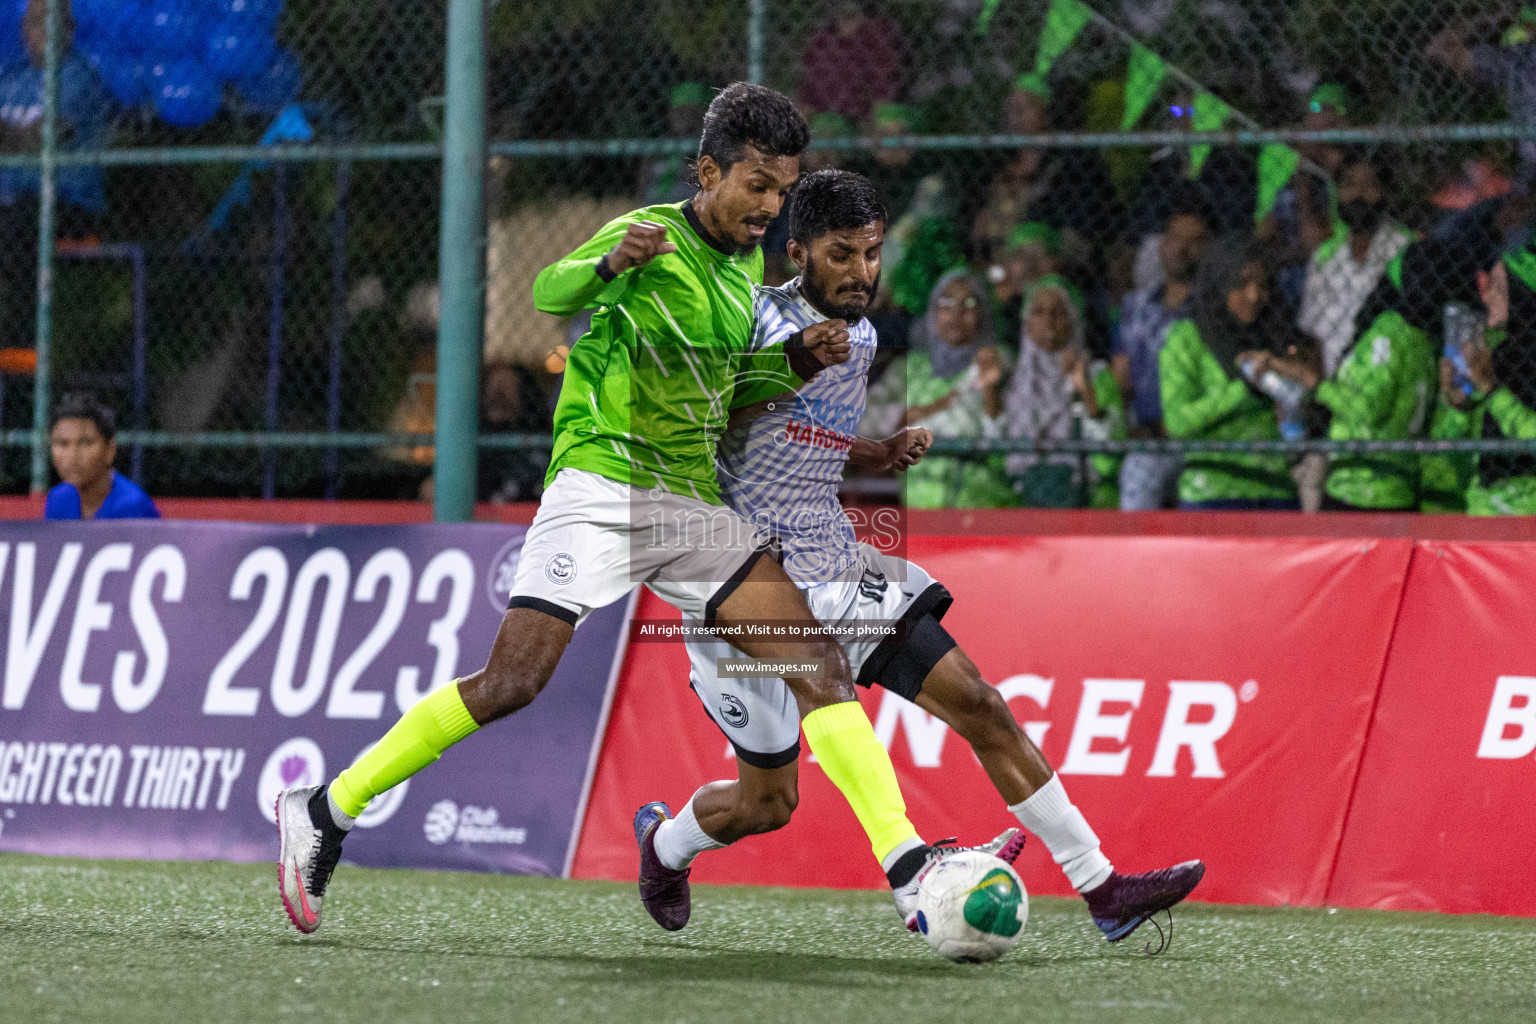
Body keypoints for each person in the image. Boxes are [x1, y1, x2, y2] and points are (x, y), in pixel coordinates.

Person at [275, 84, 959, 939]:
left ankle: (908, 870)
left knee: (812, 654)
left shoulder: (746, 267)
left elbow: (724, 387)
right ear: (706, 171)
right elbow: (548, 291)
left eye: (782, 190)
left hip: (689, 506)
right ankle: (328, 810)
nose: (771, 206)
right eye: (755, 184)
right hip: (600, 486)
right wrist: (607, 264)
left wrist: (792, 359)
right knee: (512, 684)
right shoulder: (655, 233)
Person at [669, 168, 1203, 944]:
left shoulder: (864, 336)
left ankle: (1104, 889)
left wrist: (874, 448)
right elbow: (704, 419)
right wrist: (793, 364)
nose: (862, 273)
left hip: (836, 566)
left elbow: (799, 431)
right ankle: (667, 843)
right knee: (765, 805)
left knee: (981, 702)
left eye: (873, 254)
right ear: (798, 252)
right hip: (745, 585)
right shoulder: (751, 320)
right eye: (842, 255)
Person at [1268, 239, 1488, 512]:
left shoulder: (1390, 332)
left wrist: (1317, 385)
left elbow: (1370, 410)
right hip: (1399, 490)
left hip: (1357, 490)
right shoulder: (1430, 345)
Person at [1160, 237, 1300, 510]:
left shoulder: (1273, 333)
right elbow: (1176, 422)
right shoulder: (1187, 337)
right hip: (1212, 493)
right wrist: (1243, 390)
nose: (1255, 295)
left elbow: (1295, 421)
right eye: (1242, 284)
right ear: (1219, 284)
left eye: (1262, 285)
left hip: (1275, 489)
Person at [862, 271, 1014, 508]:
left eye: (970, 303)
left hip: (983, 505)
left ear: (983, 314)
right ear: (933, 312)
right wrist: (938, 407)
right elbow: (866, 425)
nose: (957, 313)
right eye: (946, 303)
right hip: (919, 509)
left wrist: (910, 418)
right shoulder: (910, 367)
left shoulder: (995, 361)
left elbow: (972, 427)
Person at [1113, 187, 1212, 510]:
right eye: (1174, 238)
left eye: (1194, 241)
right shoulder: (1136, 305)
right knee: (1139, 473)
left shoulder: (1213, 312)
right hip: (1147, 436)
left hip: (1198, 436)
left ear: (1209, 247)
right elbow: (1121, 380)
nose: (1181, 249)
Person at [1002, 276, 1126, 509]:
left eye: (1059, 312)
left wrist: (1084, 389)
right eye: (1038, 312)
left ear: (1074, 321)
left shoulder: (1098, 375)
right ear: (1026, 324)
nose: (1049, 321)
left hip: (1085, 492)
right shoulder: (1011, 379)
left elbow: (1110, 456)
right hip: (1021, 493)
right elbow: (997, 456)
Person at [1434, 248, 1536, 515]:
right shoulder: (1495, 354)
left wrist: (1491, 388)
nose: (1486, 294)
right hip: (1482, 507)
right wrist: (1459, 403)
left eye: (1498, 286)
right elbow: (1452, 451)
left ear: (1522, 294)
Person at [1297, 154, 1414, 380]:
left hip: (1388, 382)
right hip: (1335, 389)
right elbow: (1315, 337)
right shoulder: (1325, 257)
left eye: (1369, 185)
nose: (1359, 194)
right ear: (1336, 193)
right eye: (1349, 184)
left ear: (1383, 193)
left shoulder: (1404, 249)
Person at [44, 393, 158, 520]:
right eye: (63, 443)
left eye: (85, 443)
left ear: (110, 450)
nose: (73, 455)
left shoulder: (133, 506)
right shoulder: (57, 500)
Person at [795, 2, 907, 124]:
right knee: (826, 125)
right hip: (836, 117)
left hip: (875, 113)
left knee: (888, 121)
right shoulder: (823, 41)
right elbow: (808, 96)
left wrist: (870, 124)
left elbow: (884, 87)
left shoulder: (879, 32)